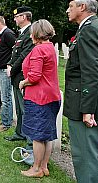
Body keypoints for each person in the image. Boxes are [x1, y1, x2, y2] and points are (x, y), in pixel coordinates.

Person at [64, 0, 98, 183]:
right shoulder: (94, 27)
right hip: (90, 102)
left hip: (85, 105)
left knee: (85, 157)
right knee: (92, 155)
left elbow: (92, 73)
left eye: (71, 6)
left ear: (82, 7)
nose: (68, 10)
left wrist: (87, 110)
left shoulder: (90, 29)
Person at [18, 19, 61, 178]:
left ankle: (36, 169)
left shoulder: (38, 50)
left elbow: (34, 77)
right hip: (52, 96)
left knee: (37, 135)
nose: (30, 35)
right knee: (47, 134)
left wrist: (23, 82)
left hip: (39, 97)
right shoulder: (49, 47)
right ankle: (44, 166)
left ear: (36, 33)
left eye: (32, 32)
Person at [5, 6, 34, 142]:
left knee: (24, 108)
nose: (15, 19)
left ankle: (29, 140)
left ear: (23, 17)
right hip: (17, 75)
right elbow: (15, 52)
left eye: (17, 17)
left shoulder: (31, 32)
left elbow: (24, 55)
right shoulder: (22, 33)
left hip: (22, 75)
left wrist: (12, 68)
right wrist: (9, 64)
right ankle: (20, 132)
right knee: (19, 107)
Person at [0, 15, 16, 132]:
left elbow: (15, 50)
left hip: (6, 69)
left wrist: (10, 65)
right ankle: (4, 118)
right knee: (3, 96)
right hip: (1, 69)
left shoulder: (8, 34)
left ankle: (6, 123)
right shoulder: (1, 35)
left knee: (6, 98)